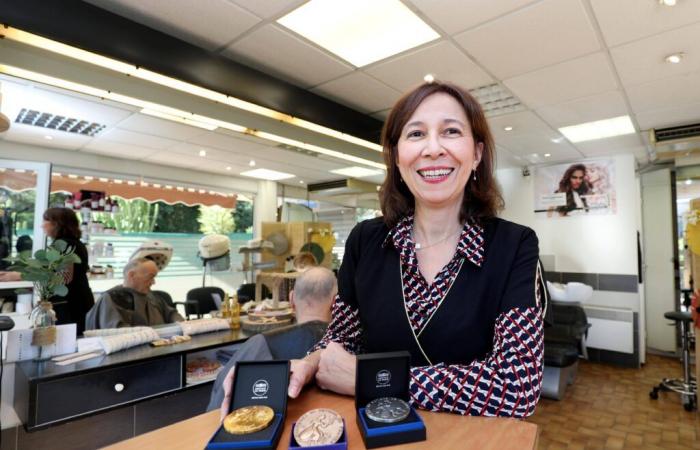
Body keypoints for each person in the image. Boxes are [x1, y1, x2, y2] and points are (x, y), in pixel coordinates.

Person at [283, 81, 546, 418]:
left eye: (451, 131)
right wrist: (309, 362)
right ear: (396, 155)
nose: (433, 148)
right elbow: (341, 339)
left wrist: (373, 380)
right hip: (376, 433)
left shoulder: (514, 245)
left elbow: (517, 387)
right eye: (416, 134)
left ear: (477, 153)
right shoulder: (366, 240)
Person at [213, 266, 336, 416]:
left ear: (291, 299)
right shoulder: (351, 346)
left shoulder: (260, 344)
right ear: (335, 302)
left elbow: (218, 405)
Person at [85, 257, 183, 329]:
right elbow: (118, 333)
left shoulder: (151, 296)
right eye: (150, 277)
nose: (153, 282)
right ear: (131, 275)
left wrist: (183, 325)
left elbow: (171, 314)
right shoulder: (113, 298)